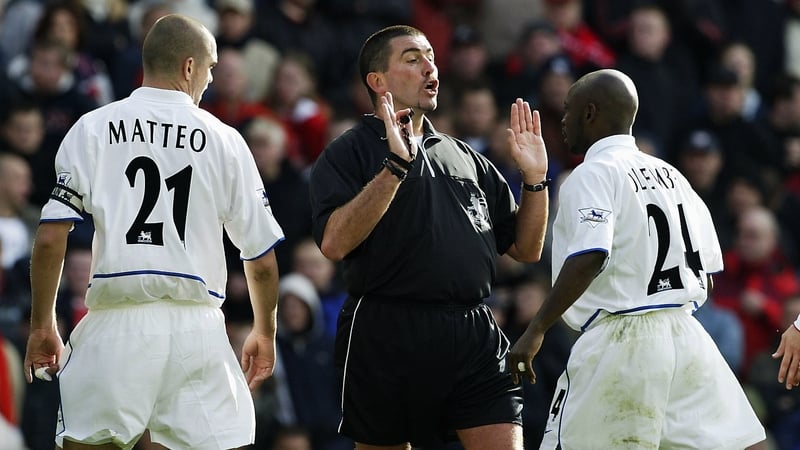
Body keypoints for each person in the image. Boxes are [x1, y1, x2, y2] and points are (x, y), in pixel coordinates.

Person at [22, 14, 285, 450]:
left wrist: (42, 323)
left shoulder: (92, 127)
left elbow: (51, 237)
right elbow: (259, 258)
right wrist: (265, 331)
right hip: (197, 329)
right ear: (188, 68)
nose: (211, 78)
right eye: (210, 67)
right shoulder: (225, 140)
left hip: (115, 323)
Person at [309, 25, 549, 449]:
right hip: (387, 329)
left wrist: (535, 179)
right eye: (413, 58)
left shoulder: (466, 156)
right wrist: (396, 167)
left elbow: (527, 249)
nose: (430, 67)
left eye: (431, 57)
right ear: (377, 81)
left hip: (474, 328)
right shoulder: (350, 150)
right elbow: (333, 244)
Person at [507, 69, 765, 449]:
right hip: (686, 335)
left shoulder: (591, 174)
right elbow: (707, 275)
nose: (562, 121)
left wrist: (536, 329)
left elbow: (591, 254)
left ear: (590, 113)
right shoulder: (673, 174)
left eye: (568, 110)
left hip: (622, 341)